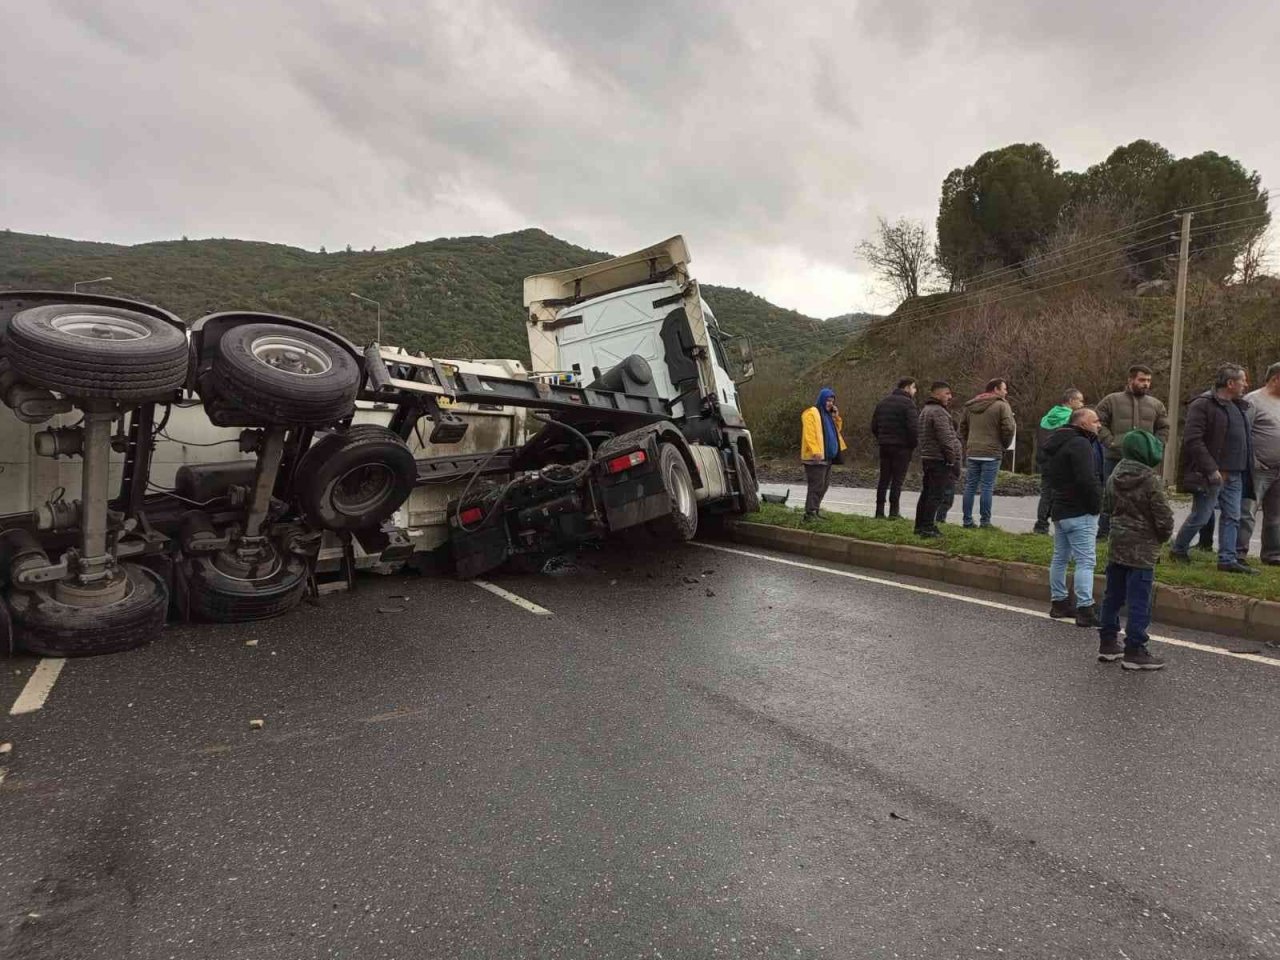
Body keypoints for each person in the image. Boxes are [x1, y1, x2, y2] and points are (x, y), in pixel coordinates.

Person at [1097, 429, 1175, 671]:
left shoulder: (1114, 474)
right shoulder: (1150, 480)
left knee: (1113, 595)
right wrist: (1161, 537)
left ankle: (1108, 642)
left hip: (1118, 543)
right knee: (1139, 600)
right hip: (1142, 548)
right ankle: (1135, 649)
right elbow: (1163, 518)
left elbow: (1107, 507)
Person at [1170, 364, 1257, 574]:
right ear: (1230, 383)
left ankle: (1227, 559)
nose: (1246, 384)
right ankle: (1178, 549)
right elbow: (1193, 440)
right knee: (1201, 516)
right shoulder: (1203, 404)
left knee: (1232, 517)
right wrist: (1211, 469)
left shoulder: (1238, 406)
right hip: (1212, 475)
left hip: (1236, 474)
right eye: (1242, 380)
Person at [1042, 407, 1104, 626]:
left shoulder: (1056, 443)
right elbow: (1087, 479)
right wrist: (1096, 505)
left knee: (1060, 557)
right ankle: (1085, 607)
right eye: (1096, 421)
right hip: (1080, 510)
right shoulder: (1081, 444)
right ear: (1083, 423)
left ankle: (1059, 602)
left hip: (1060, 509)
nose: (1099, 425)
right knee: (1086, 561)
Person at [1095, 364, 1170, 537]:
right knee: (1110, 494)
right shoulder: (1111, 400)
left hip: (1143, 462)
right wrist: (1111, 442)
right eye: (1142, 380)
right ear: (1131, 380)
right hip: (1115, 457)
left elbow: (1164, 428)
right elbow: (1098, 423)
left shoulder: (1156, 404)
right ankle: (1104, 532)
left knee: (1142, 497)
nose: (1146, 384)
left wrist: (1156, 446)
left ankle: (1133, 533)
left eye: (1149, 381)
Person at [1238, 361, 1280, 566]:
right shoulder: (1253, 401)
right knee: (1247, 512)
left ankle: (1273, 555)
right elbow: (1241, 433)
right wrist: (1252, 460)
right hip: (1258, 467)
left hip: (1278, 469)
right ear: (1276, 379)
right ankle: (1239, 553)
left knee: (1276, 516)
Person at [959, 378, 1016, 529]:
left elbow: (962, 428)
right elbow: (1009, 428)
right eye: (1004, 389)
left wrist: (969, 442)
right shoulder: (1002, 405)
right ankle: (985, 521)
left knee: (970, 486)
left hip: (972, 451)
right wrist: (1004, 444)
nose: (1006, 392)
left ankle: (967, 520)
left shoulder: (970, 405)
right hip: (991, 452)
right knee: (987, 487)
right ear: (996, 389)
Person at [1033, 388, 1085, 534]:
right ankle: (1062, 527)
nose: (1082, 404)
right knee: (1063, 494)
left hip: (1045, 459)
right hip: (1061, 461)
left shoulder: (1047, 416)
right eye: (1080, 400)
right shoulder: (1072, 417)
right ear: (1070, 401)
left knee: (1046, 493)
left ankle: (1041, 524)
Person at [914, 381, 962, 538]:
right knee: (936, 494)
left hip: (928, 457)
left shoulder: (926, 410)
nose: (950, 396)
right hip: (938, 459)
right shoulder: (938, 412)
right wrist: (951, 458)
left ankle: (920, 525)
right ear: (937, 393)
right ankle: (928, 527)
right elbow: (946, 438)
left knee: (927, 493)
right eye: (947, 393)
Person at [870, 377, 919, 519]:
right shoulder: (908, 404)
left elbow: (874, 426)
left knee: (884, 479)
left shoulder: (883, 403)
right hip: (902, 447)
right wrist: (912, 444)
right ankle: (893, 511)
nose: (915, 391)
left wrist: (882, 438)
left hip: (884, 446)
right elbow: (913, 428)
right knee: (897, 480)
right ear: (907, 387)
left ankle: (879, 511)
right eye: (914, 388)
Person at [799, 387, 846, 521]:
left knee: (824, 485)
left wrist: (836, 417)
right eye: (828, 400)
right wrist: (815, 451)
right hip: (816, 457)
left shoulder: (828, 415)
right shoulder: (811, 413)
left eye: (832, 401)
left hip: (827, 457)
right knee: (816, 485)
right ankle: (810, 513)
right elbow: (810, 434)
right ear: (822, 399)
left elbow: (836, 431)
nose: (830, 403)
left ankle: (815, 510)